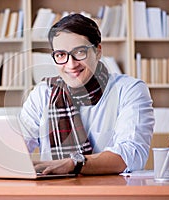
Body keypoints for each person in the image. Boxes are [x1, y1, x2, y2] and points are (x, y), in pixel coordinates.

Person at [19, 13, 154, 175]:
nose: (71, 64)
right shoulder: (43, 93)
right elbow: (17, 147)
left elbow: (133, 154)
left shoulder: (129, 89)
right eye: (61, 55)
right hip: (52, 193)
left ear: (97, 51)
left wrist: (74, 163)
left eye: (80, 52)